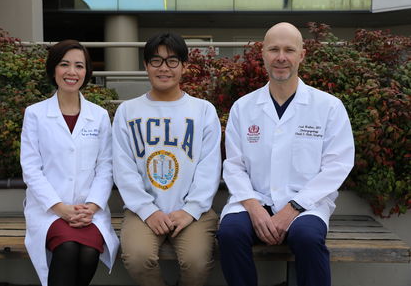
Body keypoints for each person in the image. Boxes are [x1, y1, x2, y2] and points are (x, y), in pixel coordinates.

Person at [216, 22, 355, 286]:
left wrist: (292, 209)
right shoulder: (242, 108)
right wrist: (255, 210)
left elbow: (337, 165)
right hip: (254, 200)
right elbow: (234, 166)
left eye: (289, 50)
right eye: (274, 49)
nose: (281, 57)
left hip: (306, 205)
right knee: (231, 234)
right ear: (263, 54)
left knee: (307, 238)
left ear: (301, 55)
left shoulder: (328, 107)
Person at [112, 32, 221, 286]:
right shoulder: (127, 111)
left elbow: (209, 166)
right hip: (143, 210)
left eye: (172, 61)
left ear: (184, 65)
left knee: (197, 261)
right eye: (156, 61)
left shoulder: (203, 110)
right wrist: (147, 210)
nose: (164, 68)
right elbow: (123, 166)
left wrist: (191, 209)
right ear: (146, 66)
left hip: (193, 210)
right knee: (137, 257)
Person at [20, 40, 119, 286]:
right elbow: (31, 170)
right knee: (67, 249)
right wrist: (59, 208)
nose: (72, 72)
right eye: (64, 65)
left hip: (89, 211)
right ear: (53, 69)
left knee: (87, 254)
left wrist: (93, 206)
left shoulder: (98, 115)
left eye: (79, 66)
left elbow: (105, 167)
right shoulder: (35, 114)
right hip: (49, 210)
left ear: (86, 73)